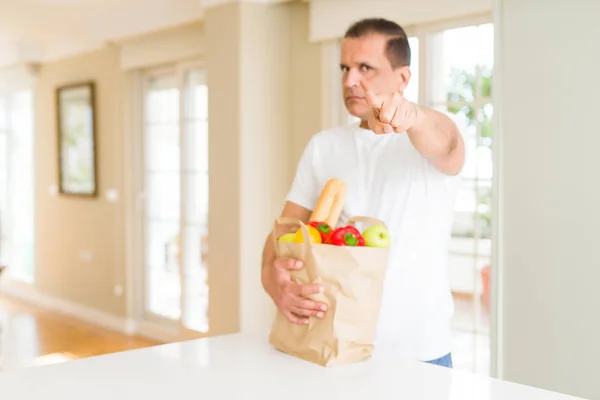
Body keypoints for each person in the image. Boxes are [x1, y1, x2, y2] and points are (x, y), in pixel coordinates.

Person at [260, 18, 465, 368]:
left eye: (365, 68)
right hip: (333, 345)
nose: (349, 81)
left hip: (418, 353)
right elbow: (280, 239)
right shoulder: (324, 146)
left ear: (402, 78)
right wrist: (276, 284)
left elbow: (447, 142)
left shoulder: (429, 135)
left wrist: (411, 114)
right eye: (345, 67)